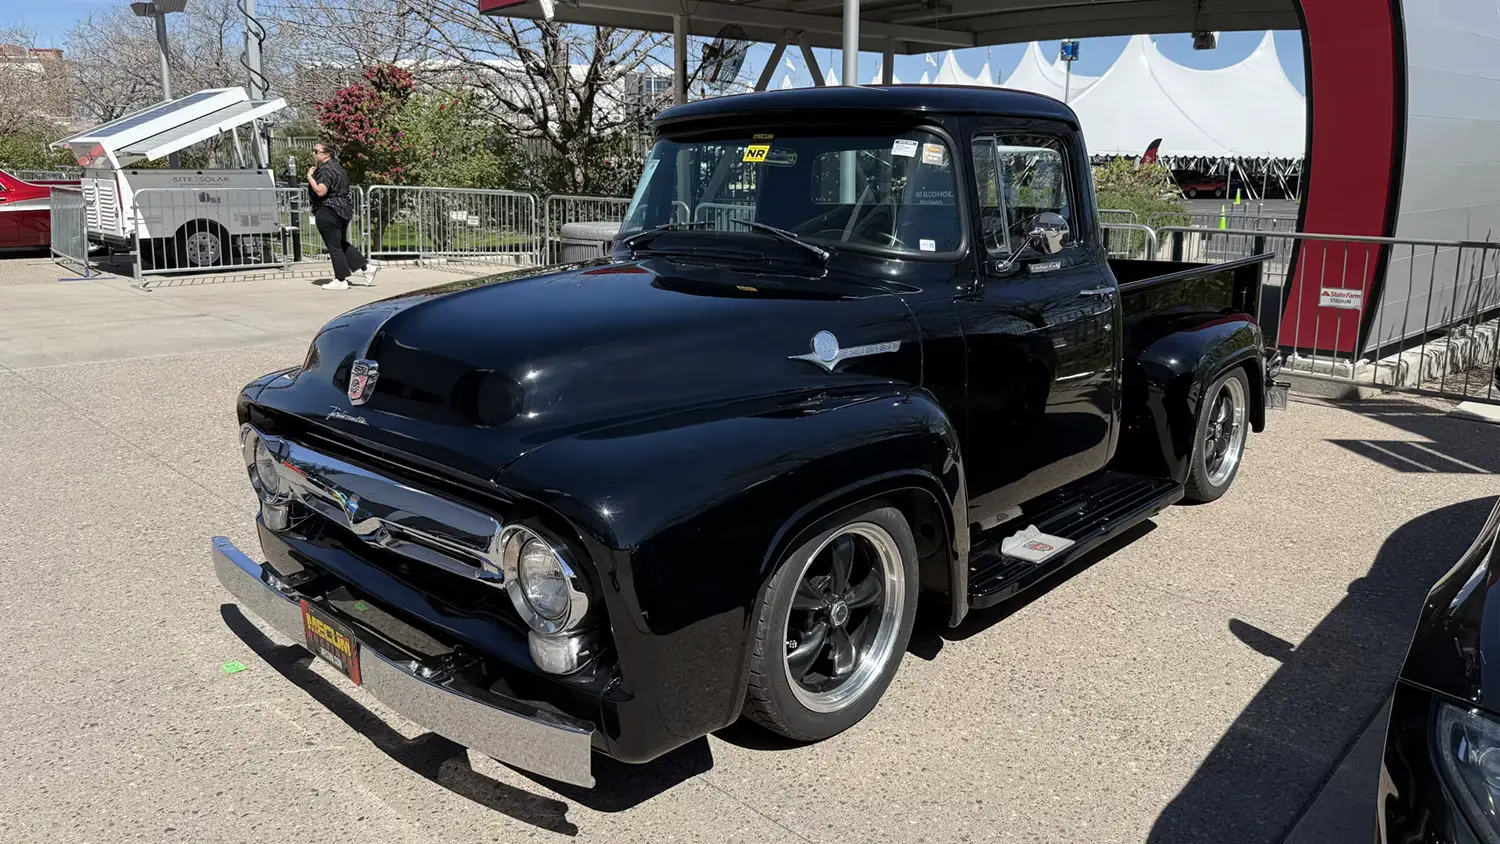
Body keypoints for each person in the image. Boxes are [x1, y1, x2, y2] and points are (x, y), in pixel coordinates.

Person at [307, 142, 376, 290]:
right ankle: (366, 268)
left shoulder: (327, 170)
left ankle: (340, 280)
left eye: (316, 151)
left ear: (326, 154)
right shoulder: (338, 168)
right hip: (344, 209)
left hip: (329, 209)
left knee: (334, 246)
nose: (314, 153)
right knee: (340, 243)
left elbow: (320, 191)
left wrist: (310, 177)